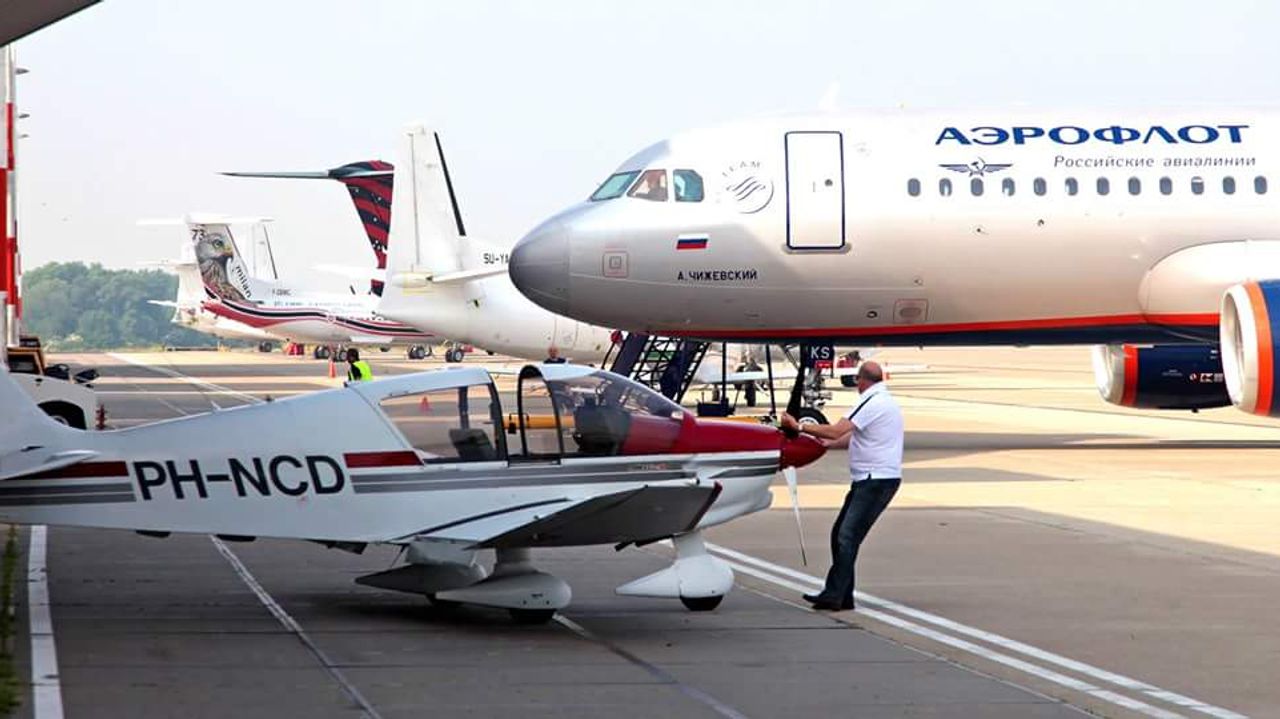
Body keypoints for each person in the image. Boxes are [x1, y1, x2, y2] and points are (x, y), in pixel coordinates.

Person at [780, 361, 903, 611]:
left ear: (861, 380)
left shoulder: (871, 401)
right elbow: (854, 437)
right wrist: (824, 445)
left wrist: (798, 426)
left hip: (875, 480)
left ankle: (834, 594)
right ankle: (843, 595)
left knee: (846, 536)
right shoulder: (885, 401)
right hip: (871, 480)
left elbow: (837, 430)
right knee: (841, 534)